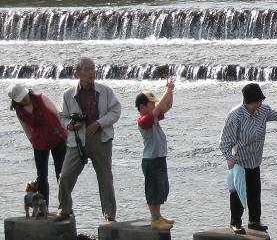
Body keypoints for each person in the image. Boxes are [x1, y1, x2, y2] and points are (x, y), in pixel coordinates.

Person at [219, 83, 277, 234]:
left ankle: (254, 221)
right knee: (238, 191)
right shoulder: (235, 116)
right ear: (247, 102)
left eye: (261, 101)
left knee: (255, 191)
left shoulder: (263, 110)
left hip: (255, 160)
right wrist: (229, 158)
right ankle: (235, 222)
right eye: (257, 102)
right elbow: (224, 142)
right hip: (239, 161)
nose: (260, 104)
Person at [57, 57, 122, 221]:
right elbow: (63, 117)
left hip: (100, 139)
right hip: (77, 140)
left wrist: (99, 124)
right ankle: (64, 208)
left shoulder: (105, 91)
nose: (91, 73)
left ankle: (109, 215)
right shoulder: (68, 94)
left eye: (93, 69)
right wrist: (70, 126)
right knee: (65, 176)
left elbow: (115, 112)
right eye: (87, 69)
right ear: (77, 73)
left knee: (105, 177)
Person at [9, 83, 68, 206]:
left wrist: (66, 132)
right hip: (39, 142)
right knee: (41, 176)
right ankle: (43, 206)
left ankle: (64, 206)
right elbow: (26, 129)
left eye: (24, 96)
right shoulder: (19, 111)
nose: (24, 99)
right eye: (20, 99)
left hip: (57, 137)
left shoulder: (41, 98)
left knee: (61, 174)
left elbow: (58, 113)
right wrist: (32, 142)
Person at [135, 78, 176, 230]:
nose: (154, 106)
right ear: (142, 107)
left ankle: (159, 216)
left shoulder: (152, 116)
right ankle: (154, 218)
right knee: (153, 189)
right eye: (151, 104)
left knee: (161, 187)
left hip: (159, 158)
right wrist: (168, 90)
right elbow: (159, 109)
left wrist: (170, 92)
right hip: (151, 160)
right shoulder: (143, 120)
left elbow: (166, 107)